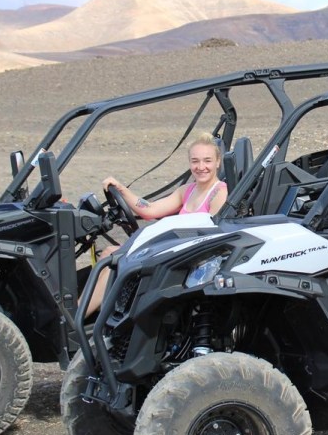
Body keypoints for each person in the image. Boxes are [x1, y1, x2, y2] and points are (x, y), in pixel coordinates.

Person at [83, 132, 228, 315]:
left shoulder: (219, 193)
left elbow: (213, 234)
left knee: (115, 259)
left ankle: (76, 319)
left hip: (187, 257)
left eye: (207, 161)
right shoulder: (187, 190)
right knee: (107, 254)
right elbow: (149, 209)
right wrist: (121, 189)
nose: (201, 167)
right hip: (170, 247)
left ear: (217, 162)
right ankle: (88, 315)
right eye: (195, 161)